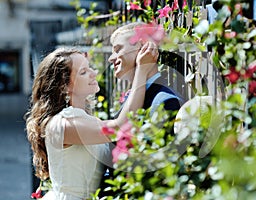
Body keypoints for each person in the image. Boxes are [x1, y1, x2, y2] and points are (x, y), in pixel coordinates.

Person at [25, 45, 158, 200]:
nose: (93, 73)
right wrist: (142, 70)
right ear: (64, 87)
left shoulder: (84, 118)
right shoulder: (63, 124)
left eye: (90, 68)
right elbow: (119, 127)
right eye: (83, 72)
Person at [98, 22, 185, 197]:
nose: (111, 58)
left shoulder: (165, 101)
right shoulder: (133, 98)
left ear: (143, 49)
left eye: (118, 49)